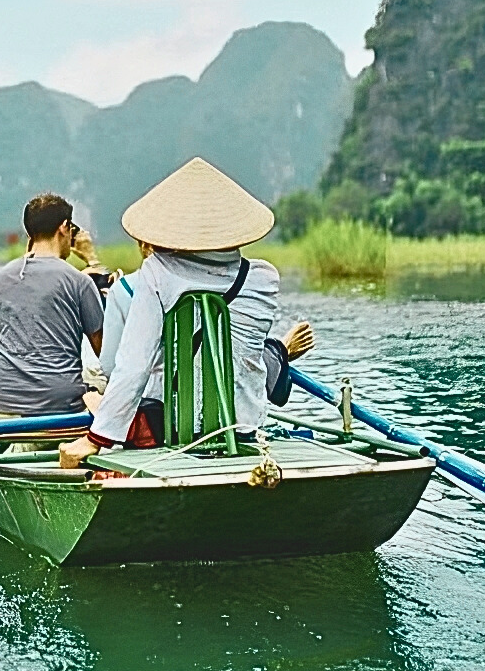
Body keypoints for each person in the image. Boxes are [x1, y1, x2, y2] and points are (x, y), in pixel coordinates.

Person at [60, 158, 313, 467]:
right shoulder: (265, 278)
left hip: (176, 430)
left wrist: (94, 439)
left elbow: (133, 365)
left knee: (95, 394)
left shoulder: (156, 273)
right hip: (246, 427)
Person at [0, 193, 107, 420]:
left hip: (0, 398)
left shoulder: (2, 277)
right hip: (60, 403)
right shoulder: (79, 282)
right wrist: (92, 260)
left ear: (29, 233)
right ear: (65, 227)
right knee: (101, 378)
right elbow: (104, 354)